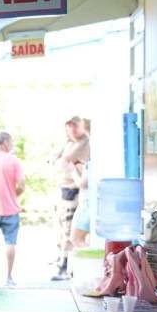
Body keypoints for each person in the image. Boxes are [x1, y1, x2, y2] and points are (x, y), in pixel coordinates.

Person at [52, 116, 90, 280]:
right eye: (69, 126)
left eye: (75, 126)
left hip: (74, 191)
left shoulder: (85, 143)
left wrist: (68, 163)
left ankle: (66, 266)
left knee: (71, 231)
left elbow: (67, 161)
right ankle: (62, 259)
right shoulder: (68, 143)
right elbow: (56, 161)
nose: (72, 129)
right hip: (63, 189)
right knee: (62, 228)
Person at [0, 132, 25, 286]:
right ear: (5, 142)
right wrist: (13, 195)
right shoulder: (13, 160)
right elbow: (21, 185)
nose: (11, 145)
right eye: (10, 142)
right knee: (10, 243)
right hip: (11, 209)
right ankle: (8, 278)